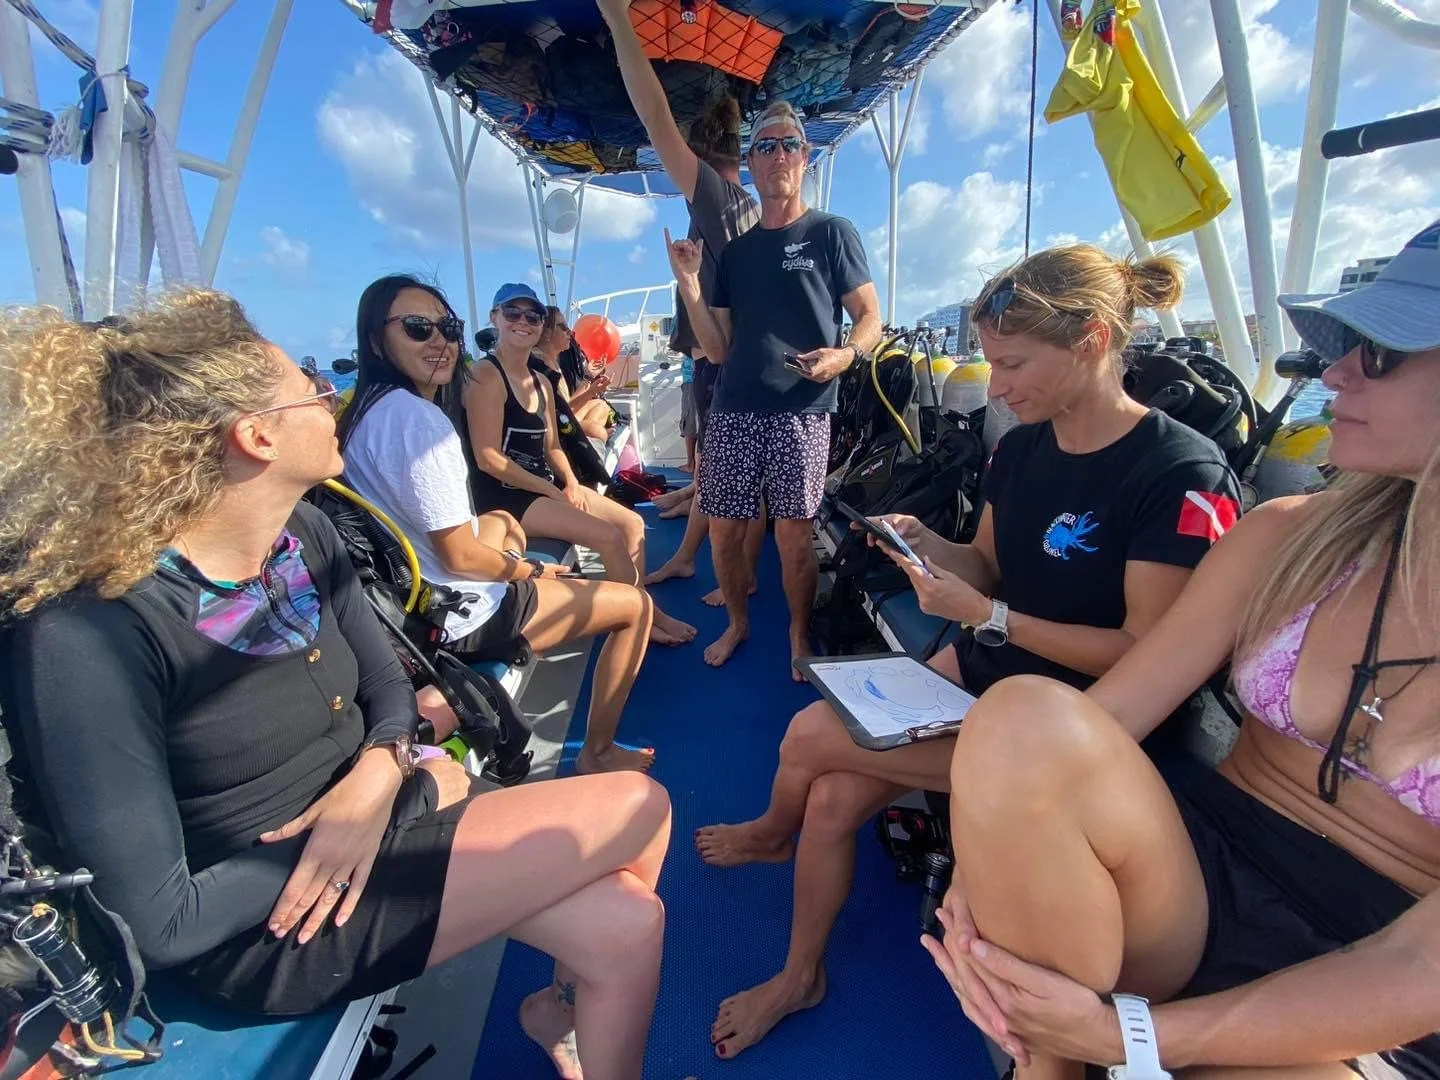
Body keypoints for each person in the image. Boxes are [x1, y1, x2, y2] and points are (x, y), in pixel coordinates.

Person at [0, 290, 672, 1080]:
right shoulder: (89, 630)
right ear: (256, 435)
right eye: (311, 389)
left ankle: (557, 1013)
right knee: (640, 806)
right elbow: (162, 922)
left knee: (626, 926)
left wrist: (383, 773)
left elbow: (386, 685)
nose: (331, 397)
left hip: (378, 813)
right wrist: (406, 798)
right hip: (271, 925)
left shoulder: (303, 536)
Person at [692, 244, 1242, 1059]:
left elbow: (1144, 657)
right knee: (835, 797)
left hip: (1086, 733)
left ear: (1092, 340)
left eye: (1013, 364)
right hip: (991, 672)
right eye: (992, 363)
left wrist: (990, 617)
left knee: (808, 737)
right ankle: (799, 974)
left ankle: (775, 835)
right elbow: (984, 561)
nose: (999, 386)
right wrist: (925, 546)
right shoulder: (1020, 449)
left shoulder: (1176, 470)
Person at [921, 222, 1440, 1080]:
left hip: (1373, 979)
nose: (1333, 374)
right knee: (1017, 721)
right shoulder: (1289, 537)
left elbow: (1419, 966)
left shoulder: (1178, 468)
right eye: (1346, 345)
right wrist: (986, 853)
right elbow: (1113, 709)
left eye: (1380, 354)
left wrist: (1124, 1039)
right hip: (1194, 881)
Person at [340, 274, 659, 773]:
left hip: (415, 597)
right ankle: (597, 753)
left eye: (448, 328)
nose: (440, 341)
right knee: (635, 606)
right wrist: (530, 571)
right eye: (418, 328)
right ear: (377, 339)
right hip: (458, 615)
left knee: (502, 520)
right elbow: (460, 557)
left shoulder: (369, 410)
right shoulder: (418, 422)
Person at [665, 99, 884, 673]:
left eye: (789, 143)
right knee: (723, 533)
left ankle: (798, 634)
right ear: (753, 163)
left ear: (804, 157)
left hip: (802, 410)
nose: (778, 154)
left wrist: (845, 355)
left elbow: (870, 317)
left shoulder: (832, 232)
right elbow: (717, 348)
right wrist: (689, 282)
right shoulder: (736, 253)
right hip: (734, 408)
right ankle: (738, 624)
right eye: (766, 146)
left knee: (792, 537)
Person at [597, 0, 767, 596]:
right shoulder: (746, 209)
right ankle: (694, 559)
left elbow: (654, 116)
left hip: (729, 369)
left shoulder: (717, 200)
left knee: (734, 486)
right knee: (720, 478)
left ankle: (740, 579)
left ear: (702, 158)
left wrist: (619, 19)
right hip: (730, 365)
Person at [463, 282, 697, 649]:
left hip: (544, 488)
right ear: (495, 318)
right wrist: (550, 489)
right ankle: (644, 616)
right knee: (607, 536)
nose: (523, 322)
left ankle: (637, 607)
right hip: (506, 497)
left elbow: (552, 446)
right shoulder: (486, 376)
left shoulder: (541, 382)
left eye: (533, 316)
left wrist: (570, 482)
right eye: (512, 313)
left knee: (632, 523)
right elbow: (488, 458)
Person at [537, 305, 613, 443]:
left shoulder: (553, 362)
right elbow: (561, 412)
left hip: (563, 418)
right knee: (598, 431)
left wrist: (589, 376)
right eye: (563, 327)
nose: (570, 332)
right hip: (554, 427)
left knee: (601, 405)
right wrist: (591, 391)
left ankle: (589, 433)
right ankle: (594, 434)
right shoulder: (541, 366)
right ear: (547, 333)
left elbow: (567, 404)